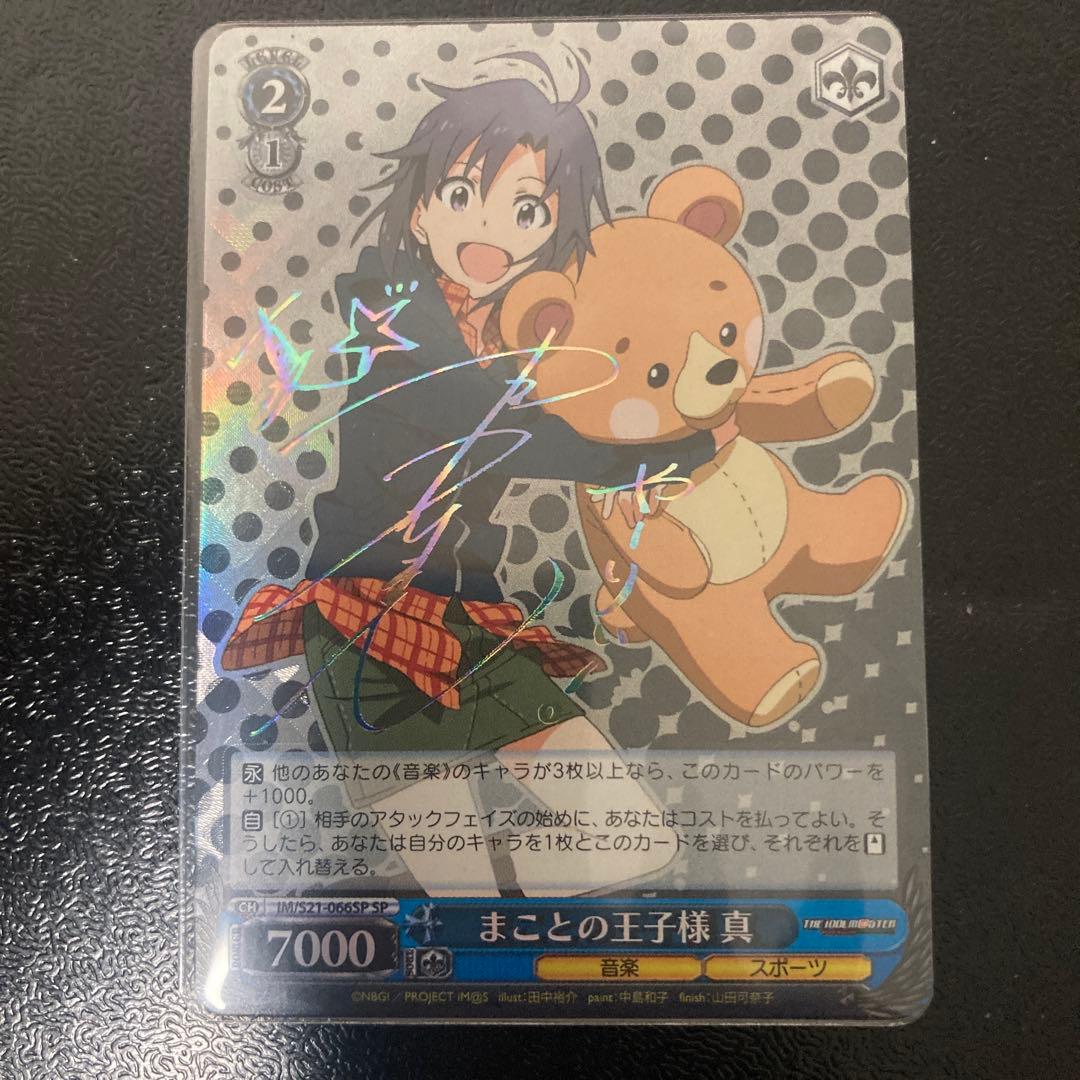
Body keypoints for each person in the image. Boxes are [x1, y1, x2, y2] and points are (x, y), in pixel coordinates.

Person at [223, 54, 719, 895]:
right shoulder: (388, 318)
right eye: (461, 195)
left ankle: (498, 914)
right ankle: (470, 920)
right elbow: (500, 433)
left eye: (526, 209)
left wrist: (682, 414)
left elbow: (592, 401)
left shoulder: (531, 340)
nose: (492, 232)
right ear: (420, 211)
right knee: (457, 887)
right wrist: (673, 452)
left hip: (470, 622)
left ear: (553, 227)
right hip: (365, 622)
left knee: (633, 838)